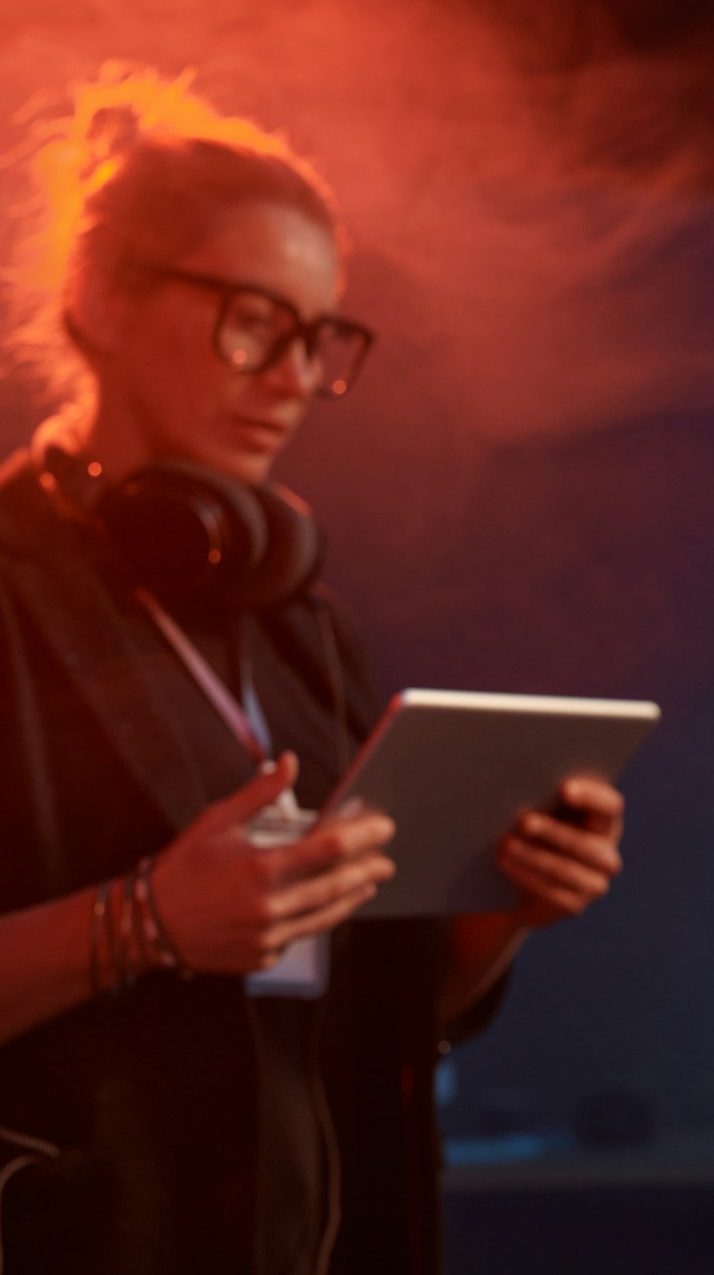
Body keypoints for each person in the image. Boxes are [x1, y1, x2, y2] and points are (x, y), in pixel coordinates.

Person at [0, 67, 627, 1275]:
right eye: (251, 319)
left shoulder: (298, 623)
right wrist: (141, 923)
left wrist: (494, 918)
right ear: (100, 300)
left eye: (318, 335)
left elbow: (368, 1015)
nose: (292, 373)